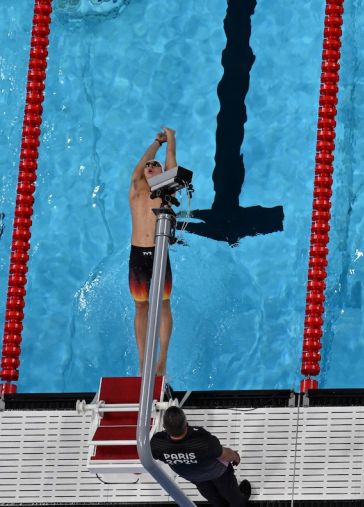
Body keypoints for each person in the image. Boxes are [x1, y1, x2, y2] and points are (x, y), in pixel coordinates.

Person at [130, 127, 176, 377]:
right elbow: (139, 166)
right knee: (141, 308)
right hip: (137, 255)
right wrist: (154, 144)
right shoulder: (136, 191)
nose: (150, 166)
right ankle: (142, 360)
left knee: (163, 305)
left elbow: (172, 167)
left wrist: (170, 140)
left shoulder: (165, 193)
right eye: (148, 165)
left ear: (162, 173)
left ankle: (162, 359)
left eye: (155, 166)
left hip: (159, 255)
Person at [150, 406, 252, 505]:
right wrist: (236, 456)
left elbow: (148, 459)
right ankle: (239, 503)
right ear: (186, 424)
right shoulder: (202, 439)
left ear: (164, 427)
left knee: (212, 497)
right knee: (231, 494)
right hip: (218, 472)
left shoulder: (157, 444)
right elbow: (225, 455)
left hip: (193, 476)